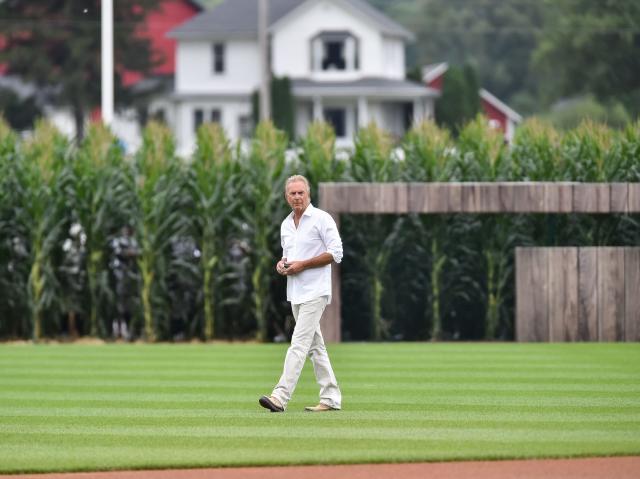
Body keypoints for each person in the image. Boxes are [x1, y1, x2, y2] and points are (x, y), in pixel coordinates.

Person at [259, 175, 343, 413]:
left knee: (298, 344)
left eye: (301, 193)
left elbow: (336, 253)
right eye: (292, 193)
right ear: (287, 196)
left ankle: (280, 397)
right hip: (295, 292)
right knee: (316, 348)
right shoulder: (286, 224)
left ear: (308, 194)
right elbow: (289, 256)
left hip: (316, 291)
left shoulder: (322, 219)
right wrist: (282, 264)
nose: (297, 197)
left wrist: (303, 265)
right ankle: (331, 398)